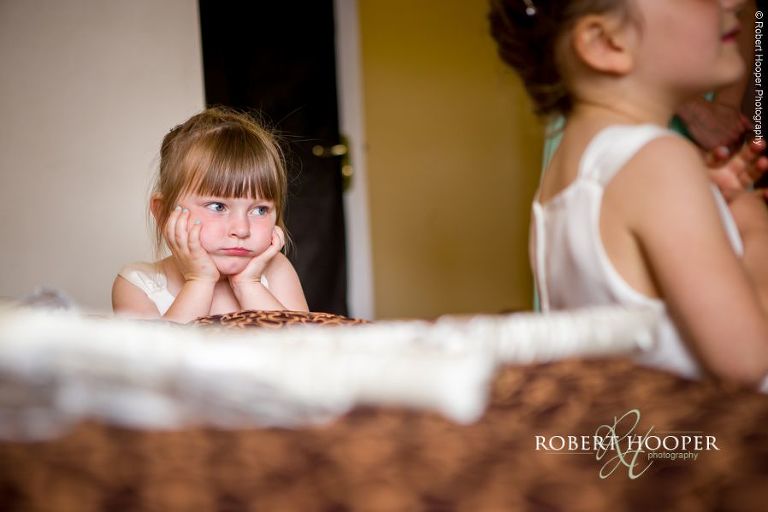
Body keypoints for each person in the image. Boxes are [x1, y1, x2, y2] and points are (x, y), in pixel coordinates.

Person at [489, 0, 768, 388]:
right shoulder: (662, 160)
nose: (733, 2)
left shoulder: (564, 174)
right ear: (606, 42)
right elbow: (746, 360)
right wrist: (754, 225)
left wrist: (709, 200)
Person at [112, 107, 308, 323]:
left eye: (259, 210)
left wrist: (248, 285)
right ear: (163, 212)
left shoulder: (276, 271)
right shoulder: (137, 284)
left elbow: (308, 350)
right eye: (218, 207)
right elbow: (161, 355)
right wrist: (199, 281)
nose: (241, 229)